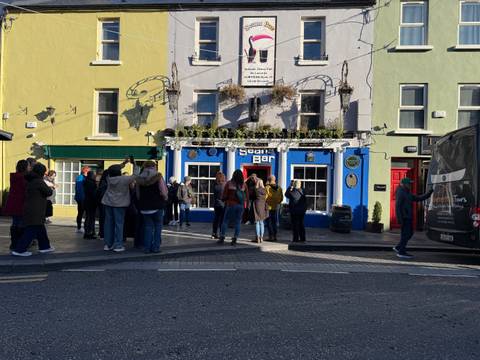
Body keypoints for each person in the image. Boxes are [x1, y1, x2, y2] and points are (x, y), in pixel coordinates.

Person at [11, 163, 55, 257]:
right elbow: (49, 192)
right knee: (31, 230)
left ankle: (45, 247)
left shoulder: (30, 179)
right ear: (41, 172)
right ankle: (20, 250)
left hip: (31, 208)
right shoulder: (38, 181)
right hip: (36, 210)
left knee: (40, 228)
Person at [101, 159, 136, 252]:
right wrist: (134, 164)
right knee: (119, 225)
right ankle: (118, 245)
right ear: (119, 172)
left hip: (108, 202)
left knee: (108, 224)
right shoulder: (124, 179)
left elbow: (110, 170)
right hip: (120, 204)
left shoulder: (109, 178)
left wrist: (123, 164)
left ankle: (108, 244)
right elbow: (135, 175)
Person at [394, 178, 433, 259]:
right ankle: (401, 252)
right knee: (405, 234)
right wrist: (400, 219)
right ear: (404, 184)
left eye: (410, 184)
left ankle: (398, 247)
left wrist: (429, 193)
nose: (410, 185)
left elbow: (419, 198)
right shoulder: (401, 193)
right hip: (404, 217)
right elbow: (397, 206)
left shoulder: (407, 193)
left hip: (408, 217)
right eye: (409, 184)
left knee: (410, 233)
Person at [136, 161, 168, 253]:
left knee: (147, 227)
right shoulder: (158, 176)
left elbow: (138, 194)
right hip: (157, 206)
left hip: (144, 207)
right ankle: (155, 247)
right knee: (158, 227)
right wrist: (165, 198)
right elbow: (163, 191)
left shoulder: (139, 178)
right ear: (154, 166)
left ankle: (147, 248)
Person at [3, 160, 28, 250]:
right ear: (25, 167)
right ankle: (18, 244)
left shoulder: (14, 176)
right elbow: (25, 189)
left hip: (13, 202)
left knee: (15, 223)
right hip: (21, 203)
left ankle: (14, 243)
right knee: (20, 224)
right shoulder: (23, 178)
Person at [219, 169, 248, 246]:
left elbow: (224, 195)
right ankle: (235, 238)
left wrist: (224, 199)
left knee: (225, 221)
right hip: (241, 206)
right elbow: (247, 197)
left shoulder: (229, 183)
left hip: (230, 205)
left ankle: (222, 237)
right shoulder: (244, 185)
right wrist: (246, 206)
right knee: (238, 222)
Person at [265, 175, 283, 241]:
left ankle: (270, 236)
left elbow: (265, 198)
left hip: (268, 207)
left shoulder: (267, 187)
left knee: (269, 222)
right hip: (276, 207)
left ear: (268, 180)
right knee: (274, 222)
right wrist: (277, 202)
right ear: (275, 180)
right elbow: (281, 198)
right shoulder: (279, 188)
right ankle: (275, 236)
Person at [74, 166, 90, 233]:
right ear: (85, 171)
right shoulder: (80, 178)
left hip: (82, 198)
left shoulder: (83, 177)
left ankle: (81, 227)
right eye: (88, 171)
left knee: (82, 213)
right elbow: (79, 189)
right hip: (81, 198)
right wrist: (82, 198)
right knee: (81, 213)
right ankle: (79, 227)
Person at [83, 170, 98, 239]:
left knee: (88, 217)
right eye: (94, 175)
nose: (95, 176)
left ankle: (87, 232)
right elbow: (93, 194)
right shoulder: (91, 183)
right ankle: (90, 232)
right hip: (91, 202)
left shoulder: (86, 181)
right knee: (91, 218)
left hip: (87, 201)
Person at [252, 179, 268, 243]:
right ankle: (261, 237)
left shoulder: (256, 190)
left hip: (257, 205)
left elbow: (252, 197)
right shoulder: (265, 190)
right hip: (263, 206)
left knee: (257, 222)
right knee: (262, 222)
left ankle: (257, 237)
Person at [211, 171, 226, 239]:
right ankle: (221, 234)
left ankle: (214, 233)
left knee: (216, 219)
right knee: (222, 220)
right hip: (223, 204)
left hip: (216, 204)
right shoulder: (224, 185)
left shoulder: (214, 185)